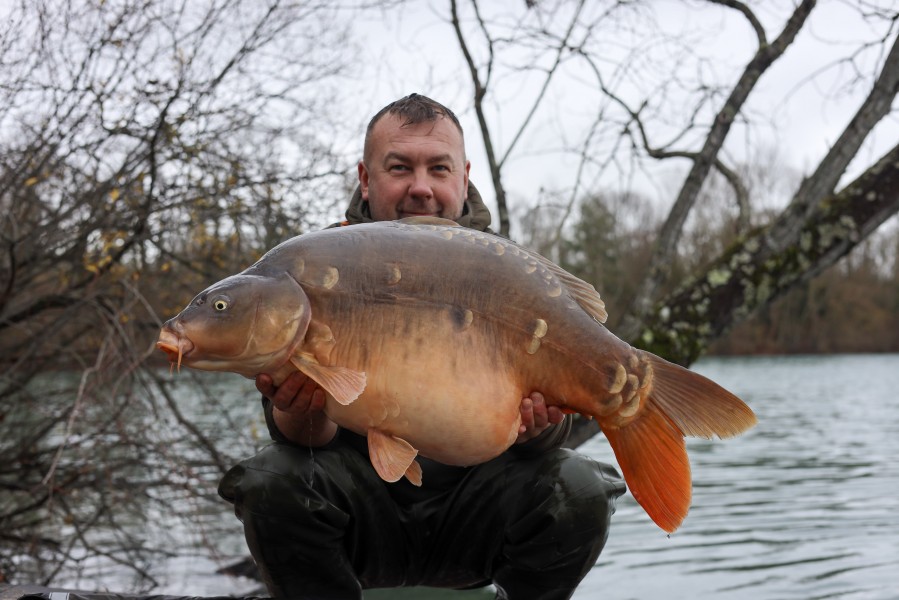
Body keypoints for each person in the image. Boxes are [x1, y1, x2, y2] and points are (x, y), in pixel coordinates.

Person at [218, 94, 626, 600]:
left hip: (476, 514)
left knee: (578, 486)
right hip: (362, 517)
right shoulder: (311, 265)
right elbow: (297, 440)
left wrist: (536, 427)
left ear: (463, 176)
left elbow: (550, 436)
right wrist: (302, 407)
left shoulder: (509, 270)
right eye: (399, 167)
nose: (421, 188)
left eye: (438, 168)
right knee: (271, 482)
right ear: (366, 178)